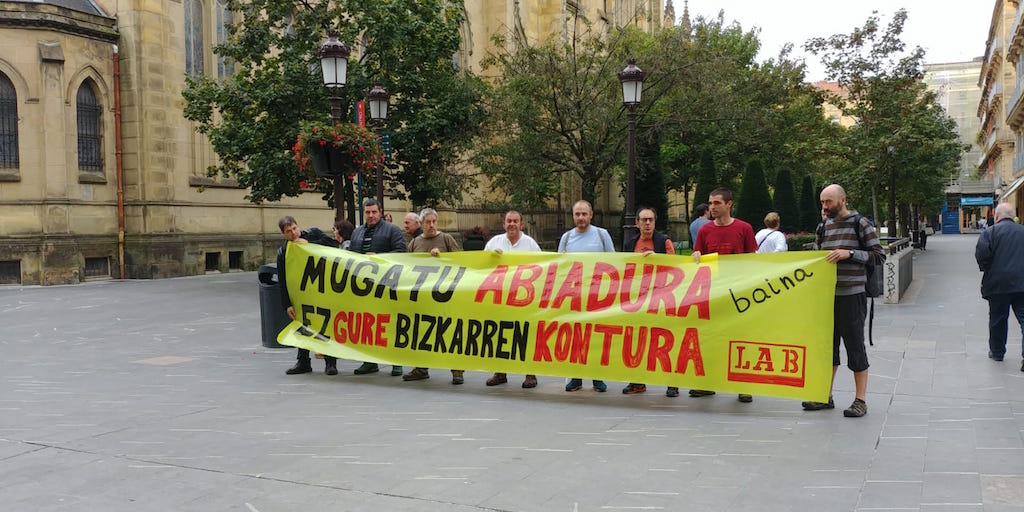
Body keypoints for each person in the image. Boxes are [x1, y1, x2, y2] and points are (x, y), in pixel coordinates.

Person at [801, 184, 885, 418]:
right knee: (827, 348)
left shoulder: (860, 223)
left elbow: (879, 255)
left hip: (852, 295)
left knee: (855, 346)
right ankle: (825, 396)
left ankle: (860, 400)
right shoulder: (823, 226)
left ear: (843, 200)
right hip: (827, 296)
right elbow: (818, 256)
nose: (824, 206)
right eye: (822, 202)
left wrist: (850, 254)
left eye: (828, 201)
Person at [690, 188, 758, 403]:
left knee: (739, 339)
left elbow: (753, 260)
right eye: (710, 203)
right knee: (710, 338)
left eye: (717, 203)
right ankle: (708, 384)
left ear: (729, 204)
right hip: (713, 294)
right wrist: (695, 256)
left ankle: (743, 385)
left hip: (737, 294)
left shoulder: (744, 228)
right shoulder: (705, 231)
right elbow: (698, 259)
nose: (712, 207)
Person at [620, 206, 680, 397]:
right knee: (638, 340)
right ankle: (637, 381)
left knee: (665, 341)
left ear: (655, 222)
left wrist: (657, 260)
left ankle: (672, 383)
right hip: (639, 300)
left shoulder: (664, 242)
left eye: (651, 220)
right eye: (644, 220)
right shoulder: (630, 244)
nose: (647, 223)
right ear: (637, 223)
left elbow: (676, 268)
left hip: (662, 299)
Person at [402, 208, 466, 385]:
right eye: (428, 222)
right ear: (421, 224)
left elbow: (461, 261)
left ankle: (457, 369)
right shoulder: (414, 243)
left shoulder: (446, 239)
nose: (431, 225)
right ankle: (421, 368)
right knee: (421, 331)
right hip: (423, 296)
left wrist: (442, 257)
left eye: (434, 221)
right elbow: (407, 267)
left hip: (446, 295)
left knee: (450, 331)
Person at [557, 200, 614, 393]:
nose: (580, 217)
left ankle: (597, 377)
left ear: (591, 215)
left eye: (584, 214)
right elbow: (559, 266)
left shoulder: (602, 235)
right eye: (577, 214)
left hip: (598, 296)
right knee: (575, 337)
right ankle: (576, 377)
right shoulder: (566, 238)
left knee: (596, 336)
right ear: (573, 216)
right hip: (574, 297)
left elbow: (614, 262)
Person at [483, 210, 543, 389]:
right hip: (500, 298)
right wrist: (491, 257)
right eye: (509, 221)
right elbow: (482, 266)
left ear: (521, 224)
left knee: (525, 335)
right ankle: (500, 372)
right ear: (504, 224)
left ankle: (530, 374)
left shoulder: (530, 244)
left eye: (515, 221)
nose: (512, 224)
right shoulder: (494, 243)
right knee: (500, 334)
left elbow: (543, 266)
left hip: (524, 299)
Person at [349, 199, 406, 377]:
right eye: (367, 212)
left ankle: (396, 362)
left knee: (390, 324)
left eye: (374, 212)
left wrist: (379, 257)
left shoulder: (393, 230)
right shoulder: (357, 232)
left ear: (380, 212)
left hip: (386, 287)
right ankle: (369, 361)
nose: (371, 215)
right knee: (367, 324)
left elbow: (402, 253)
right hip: (364, 288)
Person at [278, 216, 339, 376]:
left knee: (325, 325)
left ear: (298, 226)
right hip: (300, 295)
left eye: (294, 228)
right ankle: (303, 361)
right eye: (288, 231)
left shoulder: (313, 234)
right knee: (302, 326)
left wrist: (309, 244)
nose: (293, 233)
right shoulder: (284, 251)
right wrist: (287, 304)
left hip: (321, 291)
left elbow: (333, 245)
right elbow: (282, 279)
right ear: (284, 234)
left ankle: (330, 361)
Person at [975, 202, 1024, 371]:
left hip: (997, 284)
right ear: (1014, 217)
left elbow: (982, 255)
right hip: (1022, 283)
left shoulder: (990, 232)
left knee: (998, 318)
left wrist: (989, 269)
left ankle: (997, 352)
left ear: (996, 216)